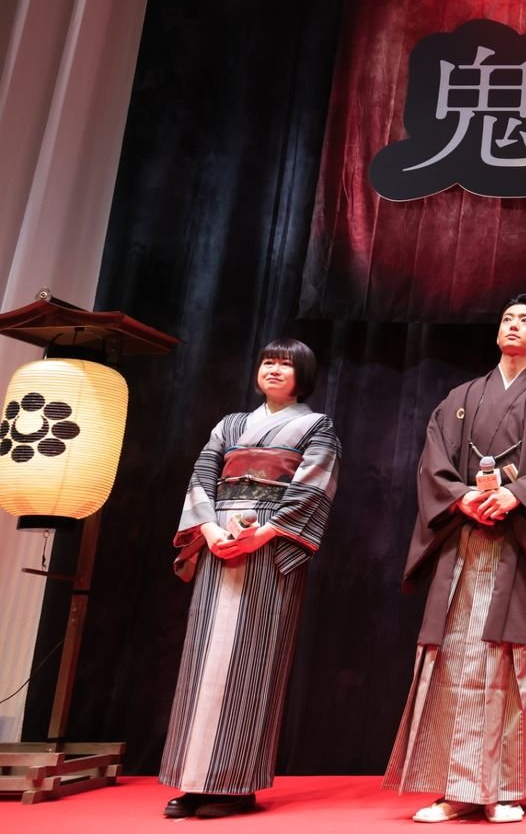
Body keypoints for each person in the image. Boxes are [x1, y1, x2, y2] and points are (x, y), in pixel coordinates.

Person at [385, 294, 526, 825]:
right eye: (507, 319)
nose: (514, 326)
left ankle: (503, 788)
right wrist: (462, 498)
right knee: (455, 660)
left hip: (518, 546)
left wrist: (515, 496)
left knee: (509, 665)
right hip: (464, 542)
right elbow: (433, 463)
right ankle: (454, 789)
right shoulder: (461, 398)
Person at [160, 338, 341, 819]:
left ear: (303, 375)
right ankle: (192, 781)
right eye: (268, 362)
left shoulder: (315, 426)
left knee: (253, 663)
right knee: (202, 661)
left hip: (267, 546)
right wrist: (209, 529)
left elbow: (313, 489)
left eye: (285, 364)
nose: (274, 370)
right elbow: (202, 477)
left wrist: (264, 534)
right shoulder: (230, 425)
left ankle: (236, 785)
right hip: (219, 539)